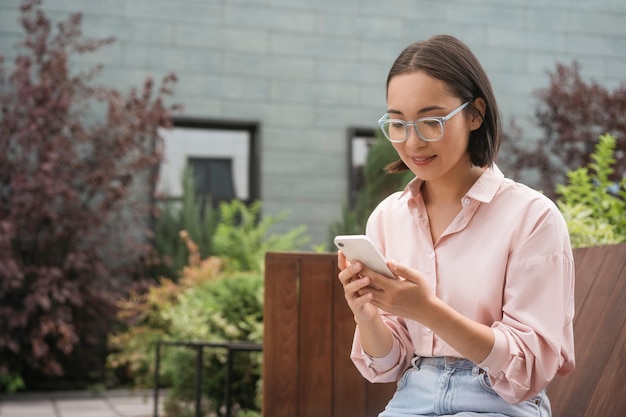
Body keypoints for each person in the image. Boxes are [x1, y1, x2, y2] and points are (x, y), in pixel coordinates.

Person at [337, 34, 575, 417]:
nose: (413, 142)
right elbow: (387, 365)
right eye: (398, 124)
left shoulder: (533, 217)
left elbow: (527, 369)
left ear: (475, 114)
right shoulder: (387, 218)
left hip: (499, 401)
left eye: (431, 122)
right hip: (413, 395)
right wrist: (365, 315)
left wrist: (429, 311)